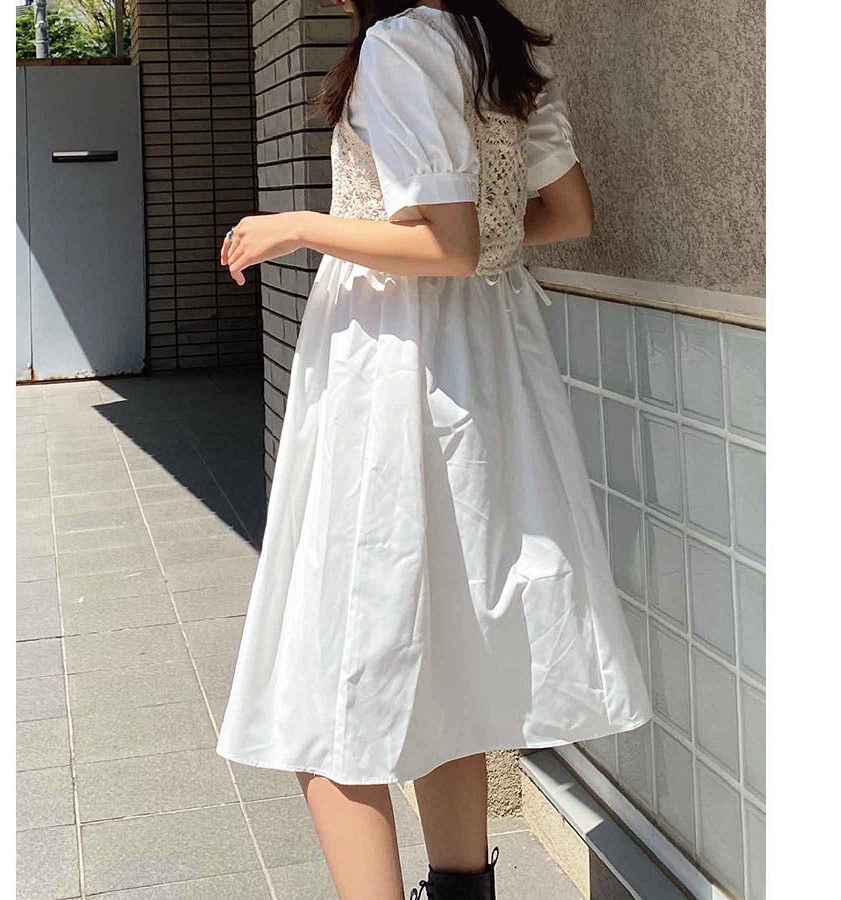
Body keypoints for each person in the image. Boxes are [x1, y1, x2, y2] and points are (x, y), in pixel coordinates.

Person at [216, 2, 653, 897]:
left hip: (391, 372)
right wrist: (478, 244)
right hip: (483, 365)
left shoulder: (399, 43)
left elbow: (443, 244)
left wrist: (297, 226)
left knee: (327, 690)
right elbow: (565, 214)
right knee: (445, 660)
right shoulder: (494, 40)